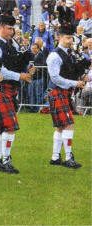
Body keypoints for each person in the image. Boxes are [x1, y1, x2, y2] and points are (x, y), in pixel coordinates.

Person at [0, 13, 34, 174]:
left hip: (10, 90)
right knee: (9, 127)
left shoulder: (12, 43)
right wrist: (20, 76)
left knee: (3, 129)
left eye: (13, 28)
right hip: (1, 89)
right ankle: (5, 160)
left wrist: (27, 67)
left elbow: (15, 62)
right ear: (0, 27)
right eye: (9, 28)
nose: (12, 31)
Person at [45, 22, 86, 169]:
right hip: (57, 92)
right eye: (68, 38)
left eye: (71, 38)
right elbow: (55, 78)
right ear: (60, 37)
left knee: (61, 126)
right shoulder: (54, 55)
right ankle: (68, 157)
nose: (70, 41)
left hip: (64, 93)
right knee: (69, 124)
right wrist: (75, 83)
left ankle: (55, 157)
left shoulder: (69, 54)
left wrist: (81, 78)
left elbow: (70, 71)